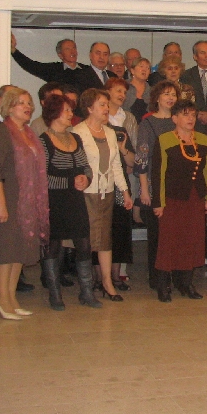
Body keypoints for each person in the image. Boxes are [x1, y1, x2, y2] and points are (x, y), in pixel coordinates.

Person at [0, 87, 49, 320]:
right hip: (9, 199)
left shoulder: (29, 133)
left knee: (19, 252)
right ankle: (2, 300)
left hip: (27, 202)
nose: (27, 107)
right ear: (9, 107)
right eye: (21, 102)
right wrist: (1, 205)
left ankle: (11, 299)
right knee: (7, 253)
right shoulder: (2, 132)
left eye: (29, 103)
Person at [39, 94, 100, 310]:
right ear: (54, 113)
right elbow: (41, 177)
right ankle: (55, 295)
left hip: (75, 200)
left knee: (84, 244)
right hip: (54, 202)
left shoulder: (76, 138)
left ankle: (87, 292)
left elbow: (86, 166)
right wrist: (69, 181)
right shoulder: (43, 141)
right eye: (66, 110)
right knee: (53, 247)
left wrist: (86, 178)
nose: (70, 114)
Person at [73, 89, 133, 301]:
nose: (106, 108)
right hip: (86, 195)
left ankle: (107, 283)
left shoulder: (109, 132)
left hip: (107, 193)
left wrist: (125, 192)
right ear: (89, 108)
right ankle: (87, 285)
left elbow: (116, 165)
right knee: (86, 241)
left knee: (105, 240)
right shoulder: (78, 132)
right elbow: (77, 165)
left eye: (107, 104)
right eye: (102, 104)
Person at [151, 99, 207, 302]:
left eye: (193, 115)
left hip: (195, 197)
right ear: (174, 118)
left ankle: (186, 283)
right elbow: (158, 174)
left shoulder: (203, 139)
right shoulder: (165, 140)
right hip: (172, 198)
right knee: (169, 242)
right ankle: (163, 285)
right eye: (185, 115)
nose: (190, 119)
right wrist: (158, 202)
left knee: (192, 240)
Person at [134, 80, 179, 289]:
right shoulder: (148, 123)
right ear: (157, 98)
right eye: (166, 94)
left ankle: (175, 275)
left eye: (173, 94)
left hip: (177, 186)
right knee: (158, 236)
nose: (170, 98)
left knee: (175, 235)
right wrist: (144, 190)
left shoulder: (180, 121)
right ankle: (157, 278)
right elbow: (142, 158)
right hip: (155, 186)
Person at [104, 78, 137, 290]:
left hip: (122, 180)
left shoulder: (127, 121)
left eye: (124, 92)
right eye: (117, 91)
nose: (122, 95)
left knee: (120, 230)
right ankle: (100, 278)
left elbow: (133, 160)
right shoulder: (96, 121)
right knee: (102, 231)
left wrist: (123, 150)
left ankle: (116, 276)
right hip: (101, 183)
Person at [11, 35, 86, 85]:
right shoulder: (53, 69)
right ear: (60, 55)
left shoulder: (87, 70)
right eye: (67, 49)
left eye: (74, 48)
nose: (72, 52)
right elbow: (31, 65)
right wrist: (13, 50)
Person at [123, 57, 151, 123]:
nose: (144, 70)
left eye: (147, 68)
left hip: (146, 125)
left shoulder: (152, 91)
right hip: (125, 123)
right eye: (141, 66)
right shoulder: (123, 86)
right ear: (132, 70)